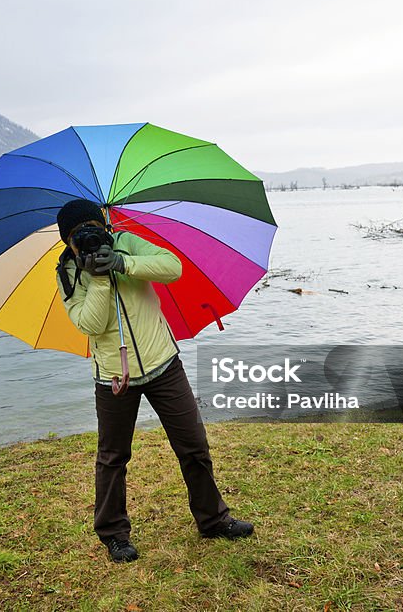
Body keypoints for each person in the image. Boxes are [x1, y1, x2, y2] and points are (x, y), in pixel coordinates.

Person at [54, 198, 254, 563]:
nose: (88, 237)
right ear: (67, 241)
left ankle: (213, 520)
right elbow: (90, 324)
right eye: (77, 235)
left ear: (105, 226)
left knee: (193, 444)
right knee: (112, 457)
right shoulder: (68, 273)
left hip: (163, 363)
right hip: (114, 377)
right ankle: (114, 534)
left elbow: (171, 267)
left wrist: (121, 262)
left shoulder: (128, 242)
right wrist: (98, 280)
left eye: (93, 229)